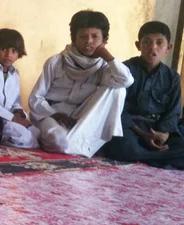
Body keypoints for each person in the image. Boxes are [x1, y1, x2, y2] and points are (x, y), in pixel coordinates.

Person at [28, 10, 133, 157]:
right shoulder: (56, 62)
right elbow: (36, 97)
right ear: (74, 38)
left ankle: (79, 143)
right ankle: (76, 144)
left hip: (83, 117)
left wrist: (108, 56)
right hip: (53, 115)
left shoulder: (104, 67)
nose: (88, 41)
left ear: (104, 40)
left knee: (118, 89)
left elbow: (126, 80)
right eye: (83, 36)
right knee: (58, 140)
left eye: (95, 36)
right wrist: (54, 114)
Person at [101, 22, 184, 169]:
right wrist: (142, 134)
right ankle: (158, 157)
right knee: (124, 146)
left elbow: (173, 112)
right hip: (130, 127)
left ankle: (147, 156)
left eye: (159, 43)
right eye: (147, 42)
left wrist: (163, 134)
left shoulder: (173, 78)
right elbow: (117, 108)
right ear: (138, 45)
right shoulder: (124, 71)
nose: (153, 47)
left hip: (157, 128)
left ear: (168, 48)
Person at [0, 29, 39, 148]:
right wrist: (13, 118)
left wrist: (19, 112)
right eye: (3, 49)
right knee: (26, 137)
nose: (8, 55)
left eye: (14, 51)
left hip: (12, 118)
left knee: (37, 132)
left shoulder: (14, 74)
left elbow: (16, 102)